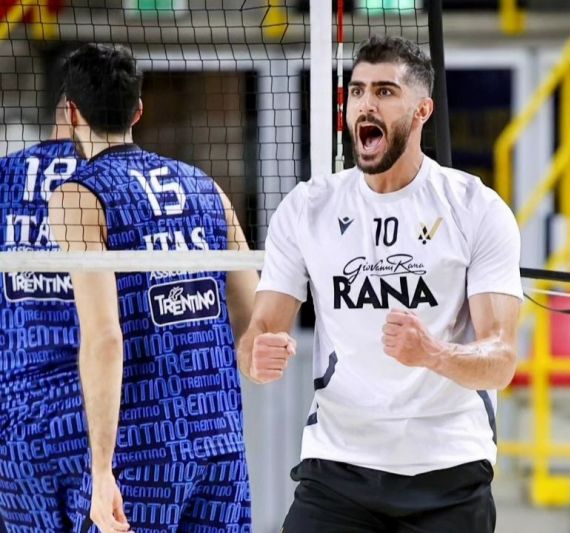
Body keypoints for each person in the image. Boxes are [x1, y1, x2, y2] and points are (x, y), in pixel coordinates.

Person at [238, 35, 522, 532]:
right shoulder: (308, 208)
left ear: (422, 111)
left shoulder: (475, 208)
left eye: (385, 91)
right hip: (338, 465)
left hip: (447, 468)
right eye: (357, 91)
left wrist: (432, 353)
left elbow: (500, 360)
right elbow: (260, 330)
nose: (366, 103)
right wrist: (255, 356)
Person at [48, 43, 258, 532]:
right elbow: (258, 323)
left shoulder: (78, 196)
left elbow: (105, 337)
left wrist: (101, 470)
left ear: (72, 113)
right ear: (138, 110)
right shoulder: (207, 186)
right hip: (222, 447)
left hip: (142, 453)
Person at [0, 97, 87, 532]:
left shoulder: (5, 175)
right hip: (98, 417)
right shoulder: (115, 181)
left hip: (14, 422)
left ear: (65, 113)